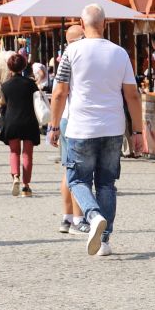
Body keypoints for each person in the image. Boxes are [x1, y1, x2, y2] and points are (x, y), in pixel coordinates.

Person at [48, 4, 147, 257]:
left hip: (81, 127)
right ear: (105, 23)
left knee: (77, 179)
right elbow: (132, 95)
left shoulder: (71, 52)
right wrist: (137, 132)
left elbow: (60, 92)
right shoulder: (120, 53)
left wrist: (53, 125)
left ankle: (92, 216)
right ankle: (104, 241)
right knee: (107, 184)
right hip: (113, 127)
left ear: (82, 24)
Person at [55, 23, 86, 234]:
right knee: (79, 173)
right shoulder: (76, 56)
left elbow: (58, 91)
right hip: (75, 119)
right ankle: (77, 219)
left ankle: (66, 218)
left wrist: (54, 124)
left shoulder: (66, 56)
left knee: (68, 171)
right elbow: (60, 92)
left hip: (66, 118)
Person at [0, 52, 42, 196]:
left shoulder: (5, 85)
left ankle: (15, 176)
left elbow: (2, 103)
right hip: (28, 120)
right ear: (24, 66)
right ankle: (26, 186)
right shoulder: (30, 84)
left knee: (14, 152)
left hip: (12, 121)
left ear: (9, 67)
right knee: (27, 154)